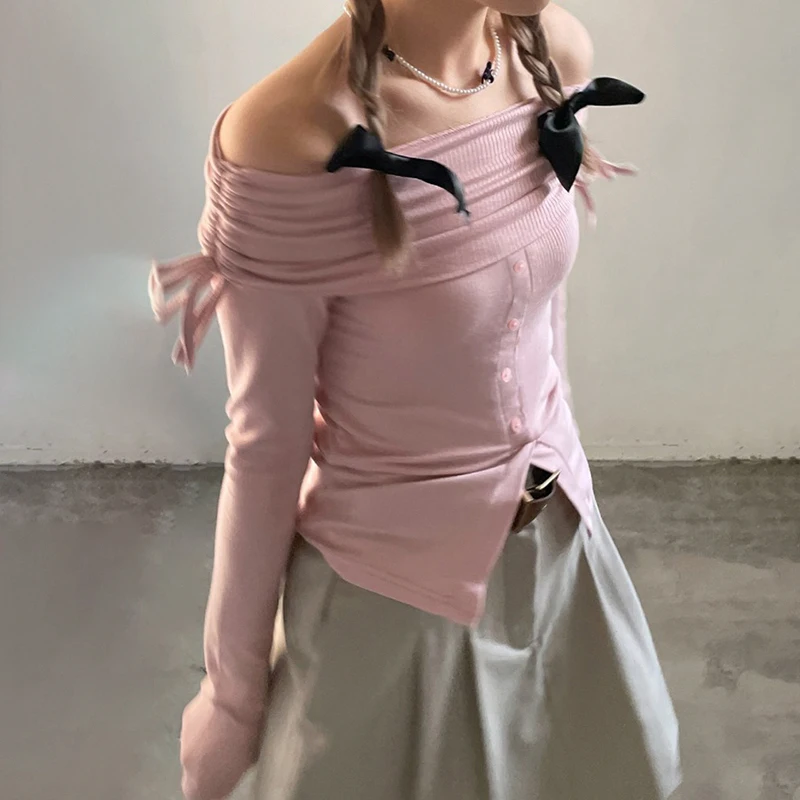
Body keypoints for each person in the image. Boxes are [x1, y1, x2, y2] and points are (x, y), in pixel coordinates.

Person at [150, 1, 682, 798]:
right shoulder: (286, 139)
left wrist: (567, 483)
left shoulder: (551, 50)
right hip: (391, 596)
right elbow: (266, 446)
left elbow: (540, 317)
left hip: (558, 554)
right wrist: (232, 698)